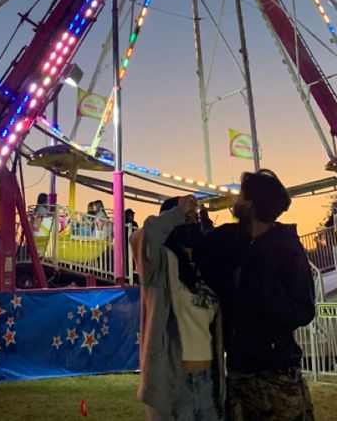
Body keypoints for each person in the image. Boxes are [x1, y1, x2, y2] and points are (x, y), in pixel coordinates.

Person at [196, 169, 315, 421]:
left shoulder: (286, 247)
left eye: (240, 194)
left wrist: (261, 288)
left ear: (250, 204)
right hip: (239, 375)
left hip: (277, 376)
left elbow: (303, 309)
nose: (234, 200)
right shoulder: (226, 240)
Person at [131, 194, 223, 420]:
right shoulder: (160, 265)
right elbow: (143, 237)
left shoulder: (205, 268)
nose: (191, 220)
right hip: (174, 383)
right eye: (185, 217)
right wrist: (177, 211)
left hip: (208, 382)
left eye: (194, 217)